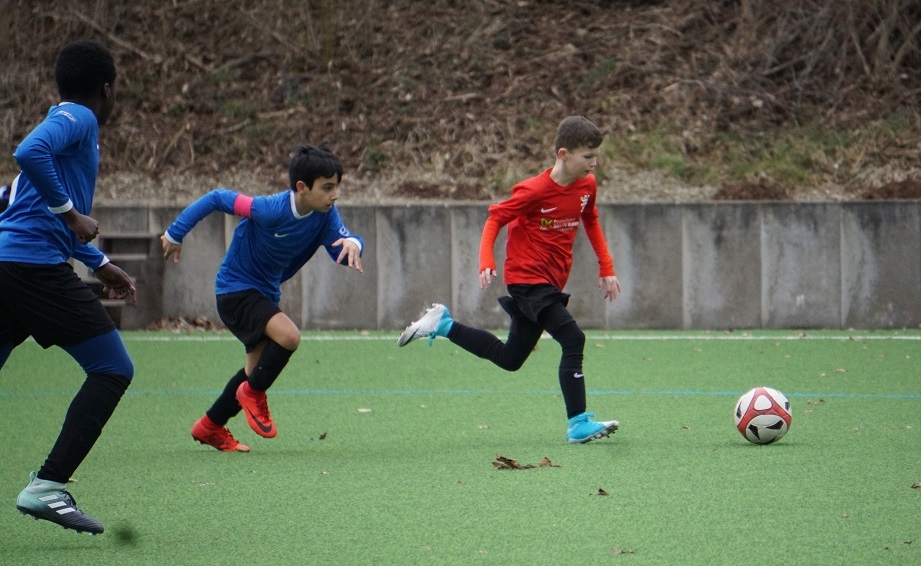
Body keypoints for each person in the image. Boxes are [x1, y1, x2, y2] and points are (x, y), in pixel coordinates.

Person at [398, 115, 622, 444]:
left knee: (510, 359)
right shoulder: (534, 190)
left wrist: (607, 266)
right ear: (563, 154)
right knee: (573, 338)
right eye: (588, 156)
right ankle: (578, 423)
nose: (594, 163)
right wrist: (486, 260)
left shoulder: (587, 186)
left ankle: (443, 324)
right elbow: (496, 218)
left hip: (549, 282)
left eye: (596, 156)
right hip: (527, 279)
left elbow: (590, 219)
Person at [1, 40, 137, 535]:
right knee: (112, 368)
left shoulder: (63, 125)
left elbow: (17, 201)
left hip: (9, 266)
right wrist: (73, 215)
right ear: (107, 89)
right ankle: (48, 485)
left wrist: (98, 262)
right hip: (34, 270)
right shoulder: (79, 118)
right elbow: (27, 151)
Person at [161, 143, 363, 453]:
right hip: (235, 290)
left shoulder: (324, 215)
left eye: (337, 187)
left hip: (264, 293)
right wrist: (176, 233)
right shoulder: (270, 209)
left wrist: (353, 245)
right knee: (289, 337)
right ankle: (253, 394)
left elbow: (342, 245)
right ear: (302, 187)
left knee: (253, 372)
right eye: (327, 187)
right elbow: (217, 198)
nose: (335, 195)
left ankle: (210, 426)